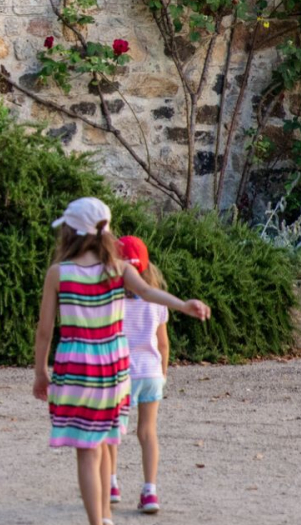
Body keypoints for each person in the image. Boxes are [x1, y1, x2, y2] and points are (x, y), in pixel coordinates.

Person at [32, 198, 210, 525]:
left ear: (70, 233)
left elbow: (45, 331)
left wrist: (41, 372)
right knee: (101, 442)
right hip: (113, 371)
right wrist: (183, 305)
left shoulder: (58, 274)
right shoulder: (119, 270)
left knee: (87, 450)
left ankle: (97, 520)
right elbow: (149, 293)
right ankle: (104, 516)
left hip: (75, 370)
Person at [108, 235, 171, 515]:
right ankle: (150, 491)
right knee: (148, 432)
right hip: (151, 373)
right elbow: (164, 343)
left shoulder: (113, 301)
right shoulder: (157, 302)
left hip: (121, 373)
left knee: (112, 431)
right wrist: (163, 371)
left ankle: (111, 484)